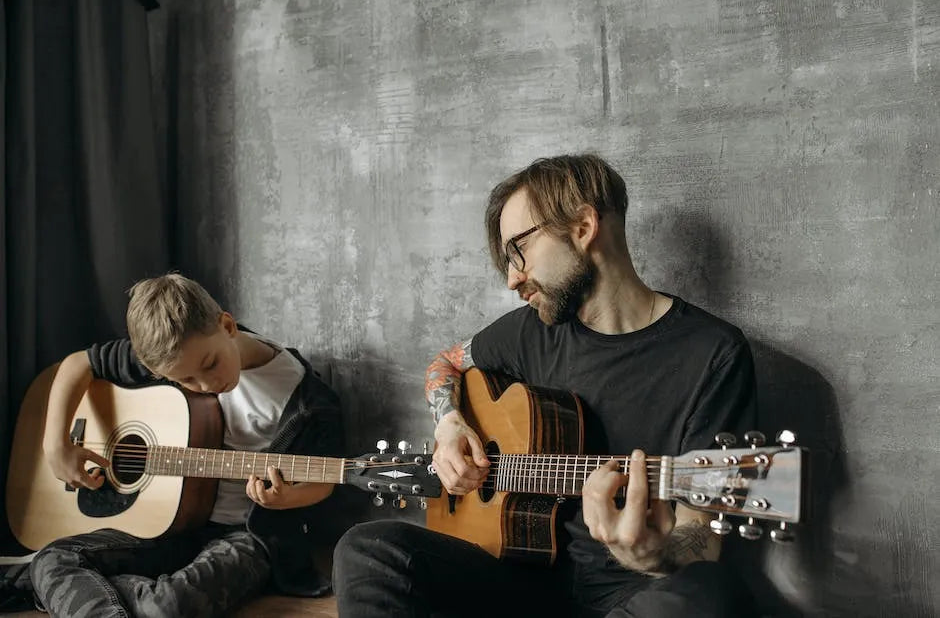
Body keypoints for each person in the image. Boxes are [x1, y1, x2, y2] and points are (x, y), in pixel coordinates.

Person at [332, 154, 758, 617]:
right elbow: (446, 362)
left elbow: (703, 535)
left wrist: (653, 556)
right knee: (368, 548)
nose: (513, 277)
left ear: (582, 226)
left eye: (518, 250)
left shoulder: (713, 352)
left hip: (632, 596)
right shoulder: (531, 331)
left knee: (711, 595)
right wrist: (449, 425)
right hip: (522, 581)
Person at [30, 272, 344, 618]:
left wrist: (288, 498)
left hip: (245, 535)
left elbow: (325, 481)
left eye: (210, 364)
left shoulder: (305, 401)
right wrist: (56, 443)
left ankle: (95, 595)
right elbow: (79, 363)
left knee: (167, 607)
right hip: (168, 526)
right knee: (53, 558)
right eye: (185, 380)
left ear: (227, 326)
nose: (206, 384)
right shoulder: (174, 352)